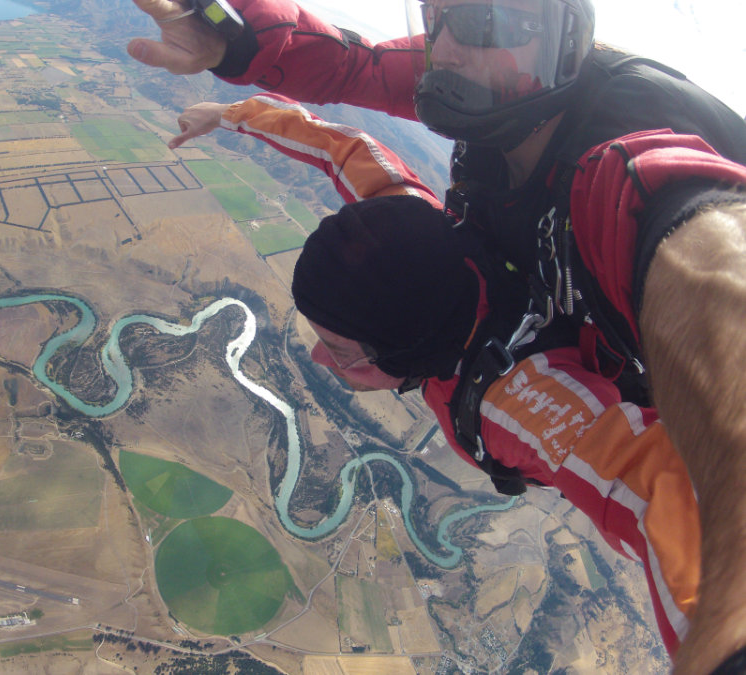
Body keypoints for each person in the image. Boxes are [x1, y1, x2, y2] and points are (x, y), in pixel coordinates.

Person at [127, 1, 746, 671]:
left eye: (484, 21)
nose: (445, 45)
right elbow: (347, 143)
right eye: (435, 13)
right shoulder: (427, 213)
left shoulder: (517, 394)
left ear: (565, 33)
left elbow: (660, 461)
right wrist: (235, 78)